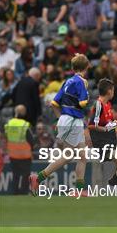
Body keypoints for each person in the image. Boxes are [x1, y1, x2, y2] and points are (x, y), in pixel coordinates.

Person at [29, 54, 91, 197]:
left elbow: (54, 103)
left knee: (80, 155)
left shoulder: (67, 81)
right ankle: (38, 178)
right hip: (74, 120)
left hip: (67, 119)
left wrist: (61, 118)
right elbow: (82, 103)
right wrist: (86, 98)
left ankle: (79, 189)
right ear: (86, 67)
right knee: (71, 156)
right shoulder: (82, 82)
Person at [88, 78, 117, 189]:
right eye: (113, 90)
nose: (113, 92)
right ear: (109, 91)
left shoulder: (108, 104)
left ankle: (113, 180)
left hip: (112, 139)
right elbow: (91, 125)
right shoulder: (98, 105)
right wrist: (104, 129)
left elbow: (109, 123)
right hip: (102, 141)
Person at [5, 104, 34, 194]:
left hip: (13, 155)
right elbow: (31, 140)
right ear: (23, 113)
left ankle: (15, 193)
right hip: (24, 155)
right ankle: (23, 192)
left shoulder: (8, 124)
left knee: (15, 175)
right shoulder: (25, 124)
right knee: (25, 175)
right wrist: (31, 149)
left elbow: (6, 137)